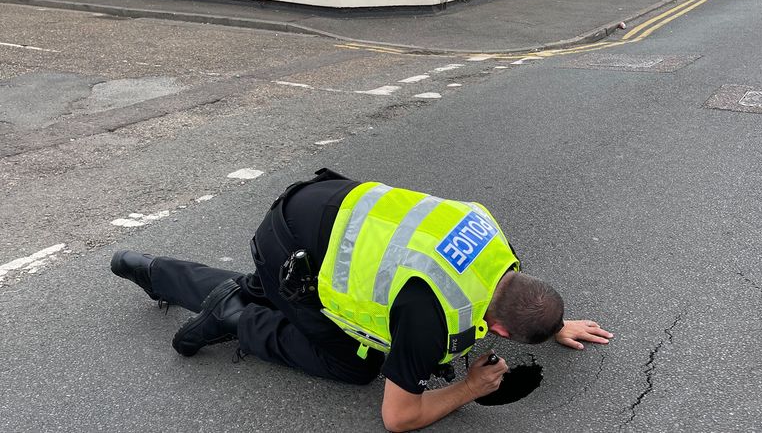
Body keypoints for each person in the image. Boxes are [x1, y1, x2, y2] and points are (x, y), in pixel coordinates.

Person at [111, 169, 612, 431]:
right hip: (291, 243)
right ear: (500, 331)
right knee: (354, 363)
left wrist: (554, 322)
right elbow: (398, 417)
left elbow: (519, 299)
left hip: (320, 206)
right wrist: (470, 389)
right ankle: (237, 316)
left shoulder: (495, 243)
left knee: (267, 283)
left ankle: (152, 270)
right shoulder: (430, 315)